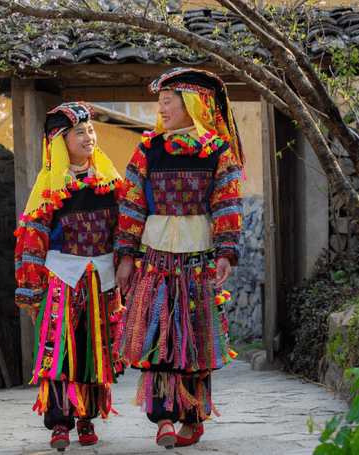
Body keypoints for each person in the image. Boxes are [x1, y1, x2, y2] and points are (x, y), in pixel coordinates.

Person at [114, 67, 245, 449]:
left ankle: (192, 415)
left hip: (199, 258)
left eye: (168, 101)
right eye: (161, 102)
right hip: (155, 259)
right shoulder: (148, 149)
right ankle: (164, 417)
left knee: (194, 338)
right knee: (158, 332)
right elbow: (132, 203)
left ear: (194, 104)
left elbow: (228, 203)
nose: (162, 108)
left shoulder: (219, 153)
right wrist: (125, 256)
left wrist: (226, 253)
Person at [14, 101, 125, 452]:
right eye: (80, 132)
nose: (89, 136)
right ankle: (60, 423)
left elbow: (125, 229)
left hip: (101, 280)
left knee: (95, 350)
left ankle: (87, 417)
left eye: (91, 130)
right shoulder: (49, 188)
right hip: (63, 279)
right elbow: (33, 239)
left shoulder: (110, 182)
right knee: (60, 350)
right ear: (60, 141)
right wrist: (32, 289)